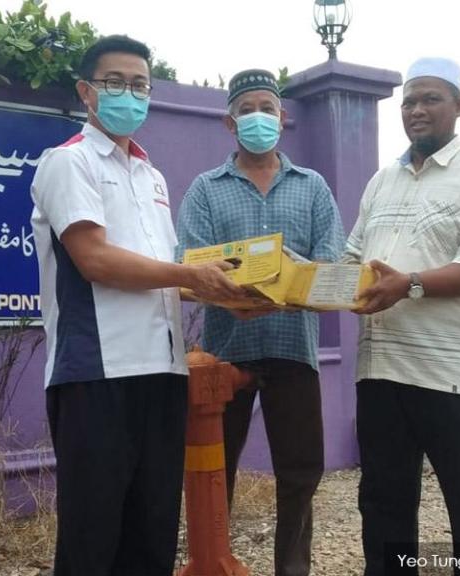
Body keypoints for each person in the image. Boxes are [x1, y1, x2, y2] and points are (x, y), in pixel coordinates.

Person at [29, 35, 245, 576]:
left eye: (140, 84)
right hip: (96, 374)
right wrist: (189, 274)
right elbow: (95, 259)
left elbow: (164, 275)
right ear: (87, 92)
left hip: (163, 373)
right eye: (116, 83)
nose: (131, 94)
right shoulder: (67, 162)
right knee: (92, 537)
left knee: (151, 536)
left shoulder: (151, 176)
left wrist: (225, 294)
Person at [343, 57, 460, 575]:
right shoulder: (382, 183)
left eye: (430, 99)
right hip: (381, 374)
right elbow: (354, 259)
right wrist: (297, 284)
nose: (416, 111)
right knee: (383, 506)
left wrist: (409, 284)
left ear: (459, 107)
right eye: (408, 102)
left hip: (457, 378)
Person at [176, 69, 346, 576]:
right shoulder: (206, 189)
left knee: (300, 470)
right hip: (227, 352)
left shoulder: (312, 187)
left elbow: (331, 260)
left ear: (283, 118)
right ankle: (213, 559)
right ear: (230, 122)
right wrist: (236, 292)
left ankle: (292, 568)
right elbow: (191, 261)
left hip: (294, 347)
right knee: (215, 468)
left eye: (267, 109)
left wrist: (293, 286)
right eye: (247, 109)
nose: (258, 118)